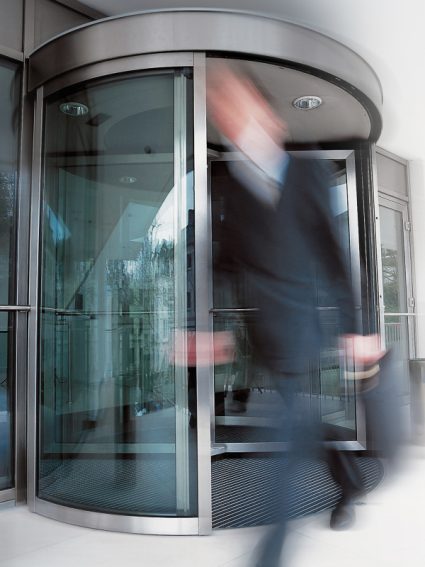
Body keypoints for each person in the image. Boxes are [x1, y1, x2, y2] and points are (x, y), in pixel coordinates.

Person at [206, 62, 384, 567]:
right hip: (264, 332)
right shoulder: (234, 186)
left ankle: (271, 554)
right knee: (302, 424)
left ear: (267, 115)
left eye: (235, 103)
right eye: (221, 108)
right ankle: (348, 479)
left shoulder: (305, 172)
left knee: (284, 439)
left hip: (303, 329)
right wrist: (209, 327)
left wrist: (358, 328)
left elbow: (334, 255)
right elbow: (225, 260)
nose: (227, 115)